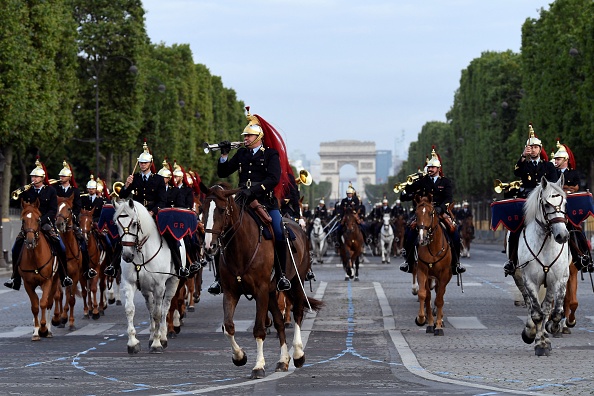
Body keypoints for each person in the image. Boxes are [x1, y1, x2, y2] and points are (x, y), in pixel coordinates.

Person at [209, 106, 292, 294]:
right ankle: (219, 279)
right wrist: (223, 155)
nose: (245, 138)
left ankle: (281, 276)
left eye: (248, 136)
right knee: (221, 231)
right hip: (241, 200)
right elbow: (223, 172)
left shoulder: (270, 154)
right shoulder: (241, 154)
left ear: (258, 137)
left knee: (279, 231)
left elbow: (273, 178)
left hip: (264, 201)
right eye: (244, 136)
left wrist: (252, 190)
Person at [104, 141, 187, 279]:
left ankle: (179, 267)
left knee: (170, 236)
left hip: (153, 212)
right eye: (141, 163)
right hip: (136, 213)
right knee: (123, 235)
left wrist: (152, 212)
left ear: (150, 163)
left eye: (145, 163)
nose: (142, 165)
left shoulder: (159, 180)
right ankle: (113, 265)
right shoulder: (134, 178)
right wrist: (126, 185)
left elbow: (162, 200)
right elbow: (123, 195)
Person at [4, 158, 73, 290]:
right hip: (30, 225)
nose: (33, 179)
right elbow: (23, 208)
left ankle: (64, 276)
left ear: (42, 178)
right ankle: (15, 278)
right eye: (32, 177)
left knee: (60, 245)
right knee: (15, 248)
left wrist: (42, 220)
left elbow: (53, 210)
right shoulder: (27, 191)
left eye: (36, 177)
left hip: (45, 223)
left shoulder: (50, 191)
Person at [399, 147, 465, 275]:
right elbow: (410, 189)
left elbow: (448, 198)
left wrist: (441, 208)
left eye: (432, 168)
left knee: (454, 233)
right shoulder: (423, 181)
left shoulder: (446, 182)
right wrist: (405, 186)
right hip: (425, 212)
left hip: (440, 212)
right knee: (410, 231)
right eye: (429, 168)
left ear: (438, 169)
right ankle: (409, 262)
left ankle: (456, 263)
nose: (430, 169)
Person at [503, 124, 559, 276]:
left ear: (540, 149)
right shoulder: (524, 165)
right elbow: (516, 172)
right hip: (527, 201)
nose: (533, 150)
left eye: (535, 147)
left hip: (545, 201)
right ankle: (512, 261)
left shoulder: (548, 166)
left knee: (561, 224)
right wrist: (522, 156)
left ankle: (572, 256)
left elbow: (553, 182)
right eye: (530, 147)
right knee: (516, 229)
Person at [553, 140, 593, 272]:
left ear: (565, 159)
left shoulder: (574, 173)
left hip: (569, 206)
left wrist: (562, 186)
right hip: (555, 206)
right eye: (555, 159)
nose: (556, 161)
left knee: (577, 230)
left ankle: (584, 256)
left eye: (558, 159)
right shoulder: (553, 172)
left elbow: (575, 187)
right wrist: (566, 187)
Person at [55, 160, 96, 279]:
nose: (61, 178)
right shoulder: (55, 190)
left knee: (83, 242)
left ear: (69, 177)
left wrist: (72, 216)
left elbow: (78, 206)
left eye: (63, 176)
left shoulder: (75, 191)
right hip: (58, 220)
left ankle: (87, 269)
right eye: (60, 176)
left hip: (70, 221)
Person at [168, 161, 201, 275]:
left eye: (177, 176)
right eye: (174, 176)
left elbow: (189, 204)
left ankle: (194, 260)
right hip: (172, 217)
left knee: (190, 240)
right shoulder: (171, 189)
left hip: (184, 217)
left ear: (181, 178)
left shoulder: (187, 190)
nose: (175, 178)